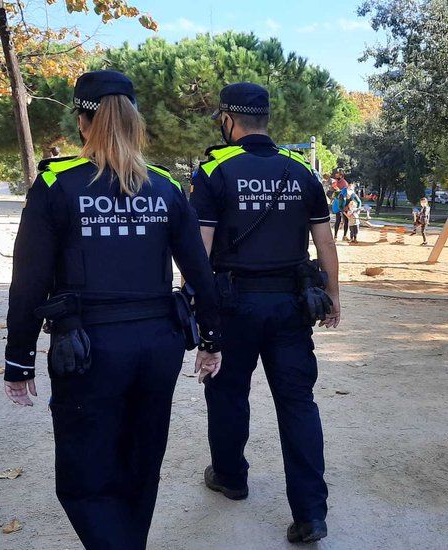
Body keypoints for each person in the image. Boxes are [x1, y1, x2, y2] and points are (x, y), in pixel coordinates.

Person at [3, 70, 222, 549]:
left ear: (83, 122)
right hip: (158, 346)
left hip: (90, 351)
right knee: (140, 468)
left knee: (83, 482)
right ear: (136, 122)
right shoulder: (165, 187)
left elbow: (29, 281)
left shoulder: (57, 184)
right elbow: (199, 273)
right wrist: (211, 340)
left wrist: (18, 359)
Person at [189, 82, 340, 544]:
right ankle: (311, 514)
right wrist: (334, 296)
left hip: (233, 306)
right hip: (292, 306)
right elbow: (325, 241)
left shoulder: (213, 170)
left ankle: (231, 477)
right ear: (265, 119)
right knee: (298, 403)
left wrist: (198, 311)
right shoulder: (300, 171)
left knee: (228, 394)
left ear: (229, 121)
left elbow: (201, 250)